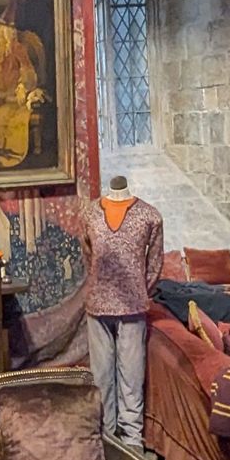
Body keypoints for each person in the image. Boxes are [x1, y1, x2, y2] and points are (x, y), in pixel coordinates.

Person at [82, 176, 165, 444]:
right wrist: (99, 285)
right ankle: (106, 438)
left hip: (133, 307)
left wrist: (139, 289)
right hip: (98, 306)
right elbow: (88, 257)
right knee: (101, 376)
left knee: (131, 376)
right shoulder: (90, 214)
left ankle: (131, 440)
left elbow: (155, 263)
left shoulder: (149, 216)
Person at [0, 15, 43, 166]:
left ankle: (12, 149)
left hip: (14, 94)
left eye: (0, 27)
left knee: (6, 114)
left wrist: (22, 86)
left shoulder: (17, 48)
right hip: (0, 94)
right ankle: (0, 147)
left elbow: (28, 70)